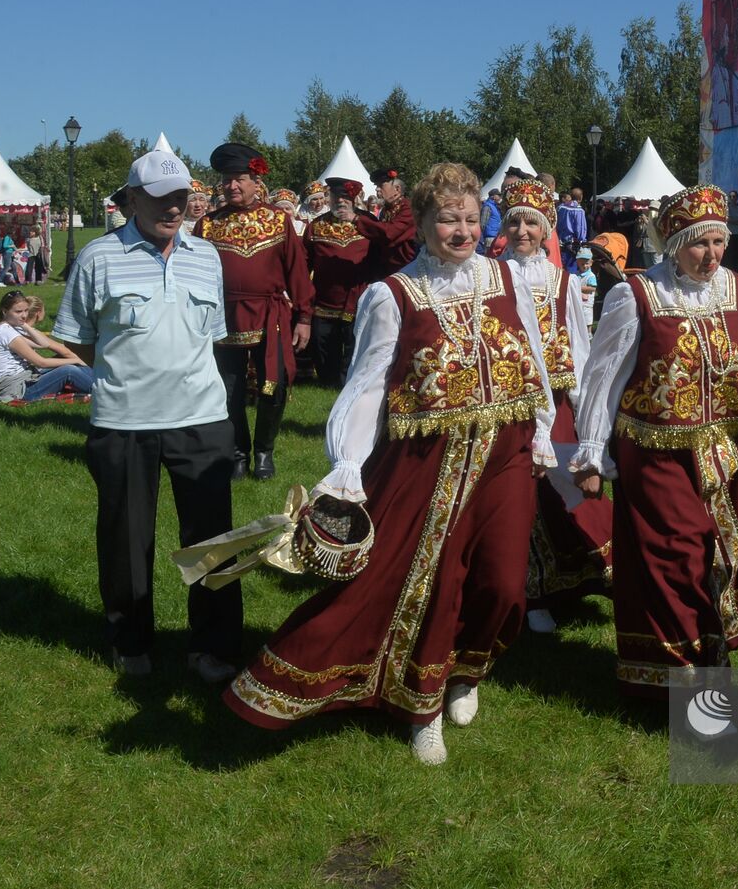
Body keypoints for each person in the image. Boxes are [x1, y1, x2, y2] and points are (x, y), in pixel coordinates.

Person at [224, 162, 558, 766]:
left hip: (504, 452)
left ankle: (468, 669)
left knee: (506, 582)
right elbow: (368, 384)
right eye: (447, 220)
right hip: (424, 457)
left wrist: (541, 433)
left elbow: (532, 355)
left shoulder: (509, 279)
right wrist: (348, 464)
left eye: (470, 219)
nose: (461, 232)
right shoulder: (393, 293)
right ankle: (421, 705)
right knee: (428, 579)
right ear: (423, 223)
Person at [570, 184, 738, 695]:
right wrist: (592, 453)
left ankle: (712, 657)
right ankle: (677, 678)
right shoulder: (634, 295)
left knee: (727, 556)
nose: (711, 255)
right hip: (655, 453)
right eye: (698, 243)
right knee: (674, 558)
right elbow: (602, 379)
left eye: (718, 242)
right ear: (673, 242)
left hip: (725, 450)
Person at [53, 150, 239, 682]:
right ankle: (130, 641)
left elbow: (213, 335)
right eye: (159, 199)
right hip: (124, 421)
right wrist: (127, 376)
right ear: (131, 199)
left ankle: (213, 647)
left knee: (212, 539)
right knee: (125, 538)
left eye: (180, 198)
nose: (172, 208)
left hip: (202, 417)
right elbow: (80, 341)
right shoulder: (97, 257)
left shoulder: (208, 256)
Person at [498, 179, 611, 634]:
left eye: (532, 222)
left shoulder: (563, 283)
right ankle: (530, 591)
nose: (523, 230)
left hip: (556, 401)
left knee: (559, 492)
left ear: (547, 229)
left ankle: (571, 579)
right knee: (517, 496)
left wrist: (587, 417)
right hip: (507, 401)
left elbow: (580, 349)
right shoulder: (491, 275)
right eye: (515, 222)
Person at [194, 143, 312, 481]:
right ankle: (237, 454)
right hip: (223, 316)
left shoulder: (277, 220)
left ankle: (264, 452)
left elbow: (297, 270)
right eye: (227, 180)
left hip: (270, 314)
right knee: (227, 389)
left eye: (240, 179)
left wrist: (303, 316)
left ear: (256, 181)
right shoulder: (207, 226)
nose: (232, 186)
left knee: (272, 385)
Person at [303, 176, 370, 386]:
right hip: (324, 300)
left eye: (345, 197)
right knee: (322, 344)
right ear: (329, 198)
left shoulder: (367, 223)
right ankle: (328, 381)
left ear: (354, 199)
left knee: (354, 344)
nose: (340, 201)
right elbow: (305, 262)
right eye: (336, 196)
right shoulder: (316, 226)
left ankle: (349, 380)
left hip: (357, 298)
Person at [0, 289, 95, 401]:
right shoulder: (5, 332)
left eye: (26, 311)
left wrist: (25, 326)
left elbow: (43, 344)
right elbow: (41, 362)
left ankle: (101, 381)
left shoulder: (9, 327)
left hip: (26, 378)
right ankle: (101, 389)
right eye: (18, 312)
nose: (24, 315)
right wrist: (75, 361)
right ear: (4, 311)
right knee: (69, 370)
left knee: (67, 362)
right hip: (17, 390)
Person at [356, 166, 418, 278]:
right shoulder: (386, 209)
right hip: (387, 269)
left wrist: (357, 219)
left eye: (381, 185)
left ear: (397, 189)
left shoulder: (408, 208)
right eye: (377, 186)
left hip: (406, 271)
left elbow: (388, 233)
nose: (377, 190)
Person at [556, 188, 588, 270]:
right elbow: (580, 229)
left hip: (558, 243)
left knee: (559, 268)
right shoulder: (579, 210)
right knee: (570, 272)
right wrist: (583, 241)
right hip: (572, 246)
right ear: (580, 197)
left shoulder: (560, 207)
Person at [575, 246, 596, 326]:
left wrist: (578, 288)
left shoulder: (591, 276)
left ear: (591, 263)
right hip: (578, 301)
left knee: (587, 320)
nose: (584, 266)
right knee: (578, 319)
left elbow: (592, 288)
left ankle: (589, 333)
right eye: (582, 264)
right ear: (578, 263)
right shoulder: (576, 275)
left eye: (587, 263)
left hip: (587, 303)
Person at [480, 188, 502, 253]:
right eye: (498, 195)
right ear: (493, 196)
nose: (500, 197)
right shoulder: (487, 206)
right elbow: (483, 223)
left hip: (495, 236)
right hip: (489, 238)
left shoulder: (495, 206)